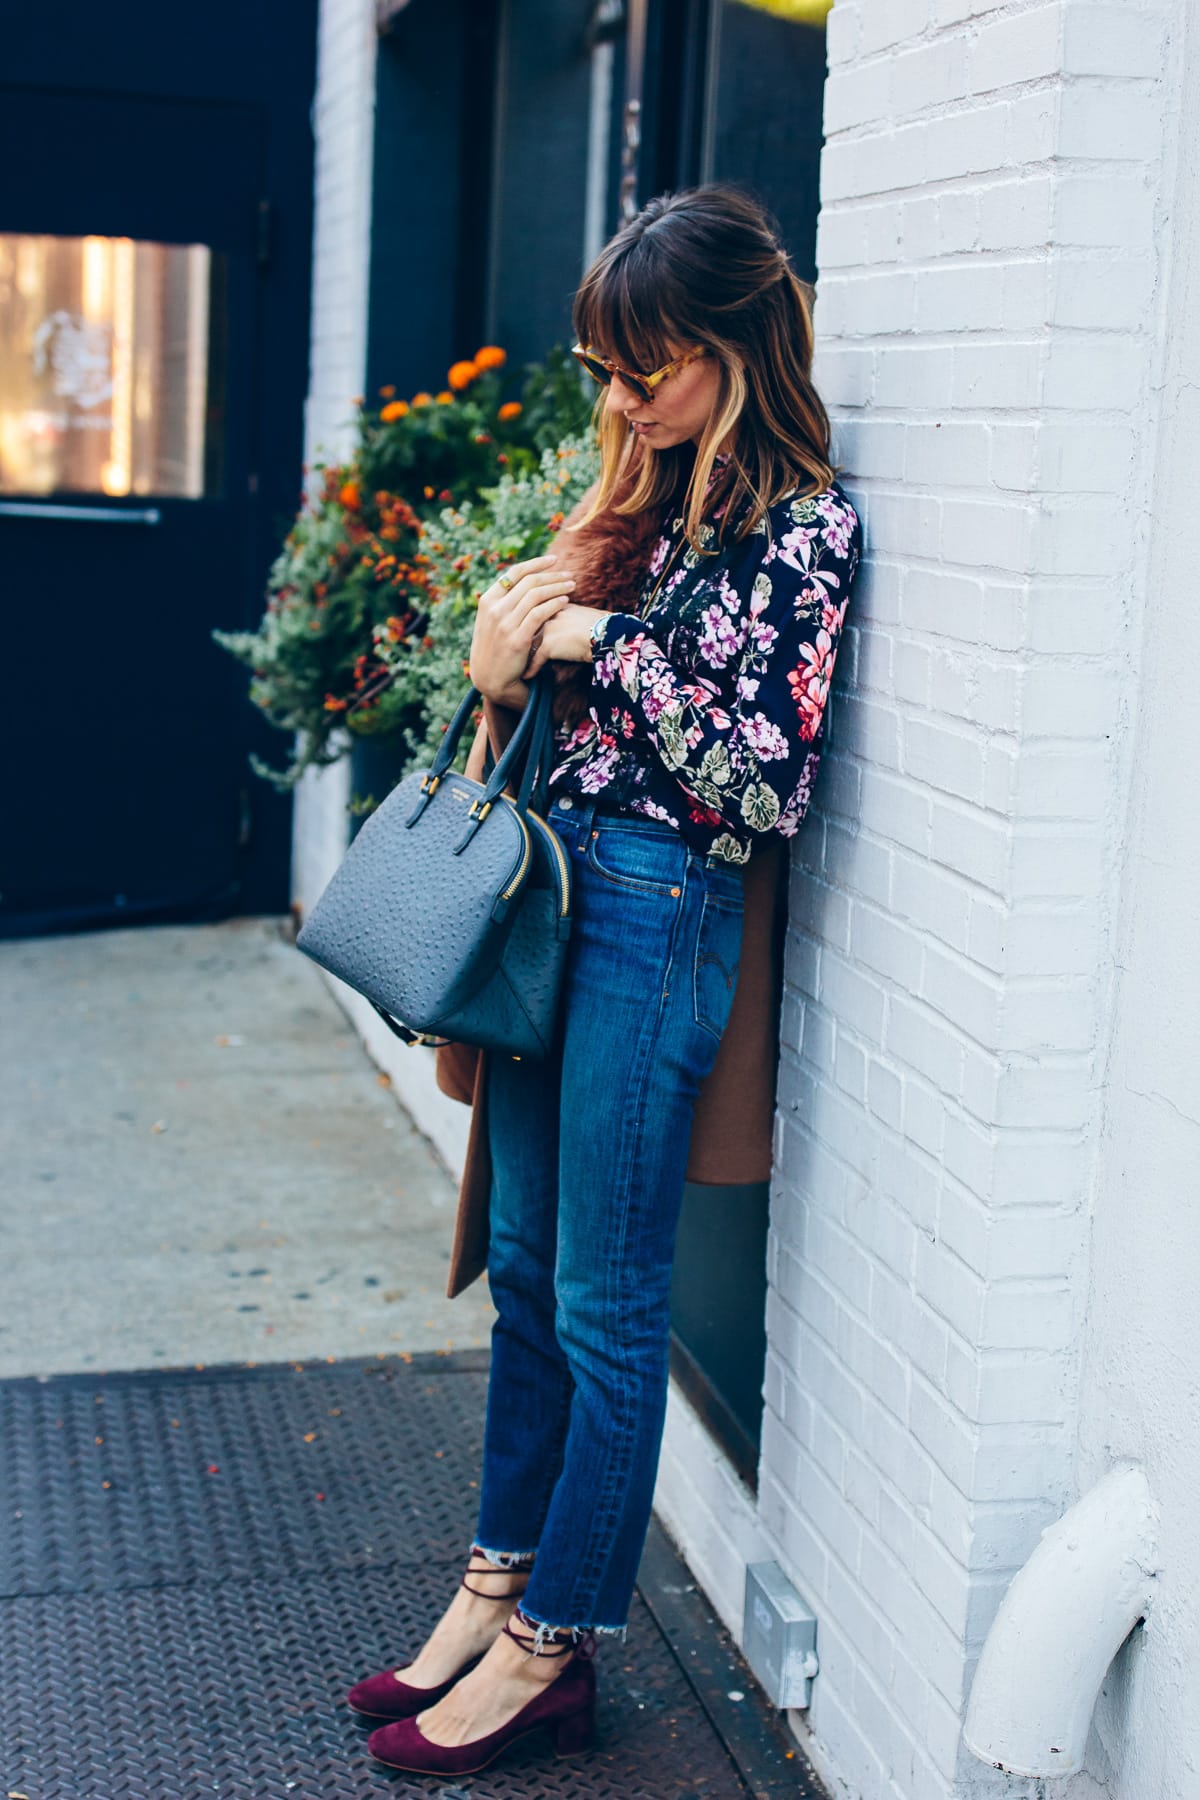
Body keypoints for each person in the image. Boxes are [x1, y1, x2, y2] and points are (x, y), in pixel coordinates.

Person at [348, 183, 863, 1777]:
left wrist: (592, 645)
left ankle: (555, 1644)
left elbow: (764, 781)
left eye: (647, 370)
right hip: (557, 902)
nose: (621, 401)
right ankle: (495, 1582)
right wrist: (516, 658)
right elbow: (540, 688)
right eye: (607, 373)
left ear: (731, 345)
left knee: (604, 1300)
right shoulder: (644, 501)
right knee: (520, 1268)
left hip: (657, 920)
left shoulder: (805, 528)